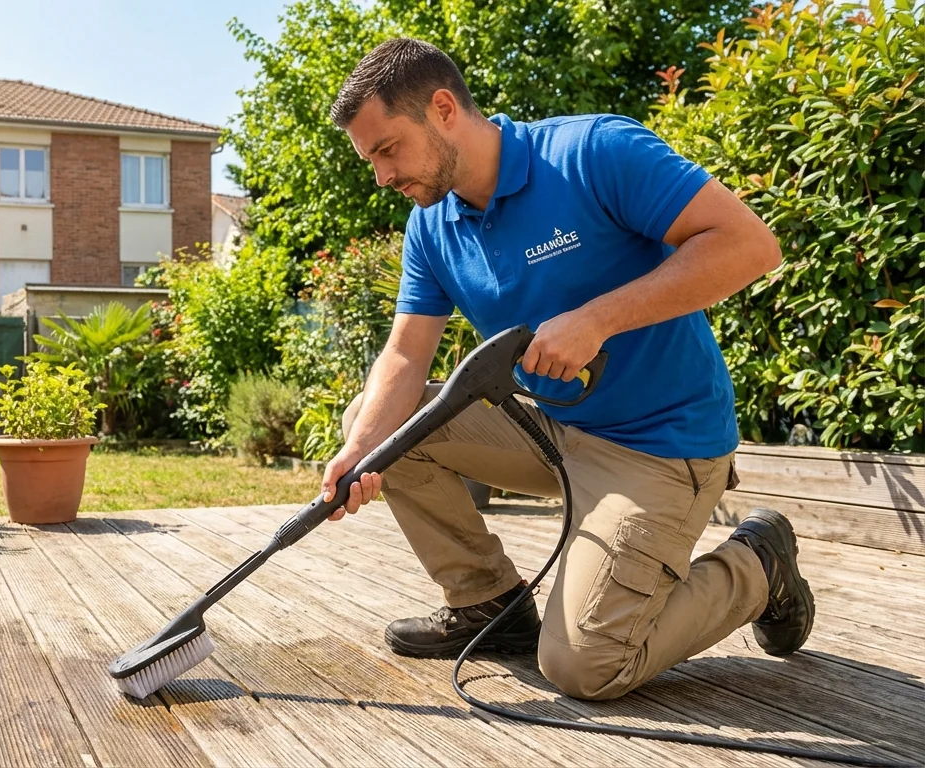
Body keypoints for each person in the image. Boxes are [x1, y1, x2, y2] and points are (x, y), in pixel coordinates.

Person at [321, 38, 814, 701]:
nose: (381, 175)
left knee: (586, 665)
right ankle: (490, 606)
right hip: (553, 433)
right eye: (371, 159)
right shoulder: (432, 224)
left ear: (442, 108)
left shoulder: (592, 154)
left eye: (387, 150)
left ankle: (759, 564)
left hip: (661, 447)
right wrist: (360, 452)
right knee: (380, 428)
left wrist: (598, 319)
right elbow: (408, 354)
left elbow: (749, 245)